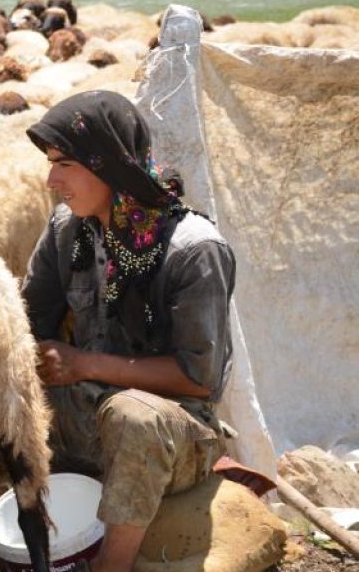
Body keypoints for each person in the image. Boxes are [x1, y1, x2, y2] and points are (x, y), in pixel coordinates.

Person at [21, 91, 234, 571]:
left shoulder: (193, 250)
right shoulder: (65, 230)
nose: (51, 179)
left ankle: (110, 566)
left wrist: (83, 365)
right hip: (83, 413)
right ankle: (21, 543)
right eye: (51, 163)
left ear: (109, 164)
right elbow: (27, 320)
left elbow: (199, 378)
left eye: (65, 164)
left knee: (132, 415)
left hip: (171, 430)